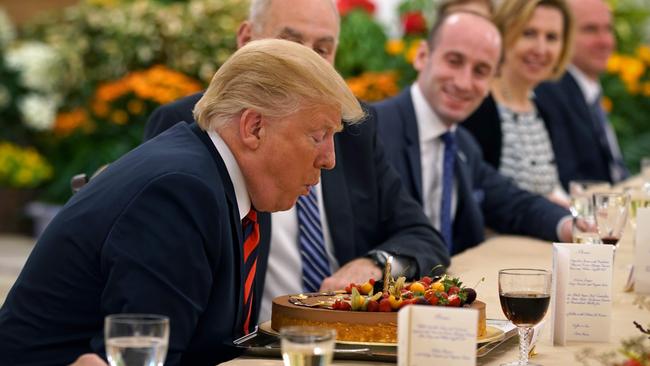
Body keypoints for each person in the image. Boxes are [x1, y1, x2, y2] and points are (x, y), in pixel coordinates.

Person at [0, 39, 365, 366]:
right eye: (318, 136)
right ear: (253, 128)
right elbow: (151, 357)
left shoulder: (223, 177)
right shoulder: (180, 192)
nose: (330, 159)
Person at [144, 0, 450, 322]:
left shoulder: (351, 129)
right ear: (246, 40)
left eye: (321, 50)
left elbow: (422, 236)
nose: (304, 66)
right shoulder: (195, 125)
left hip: (341, 337)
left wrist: (375, 264)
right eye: (289, 44)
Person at [372, 11, 574, 255]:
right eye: (454, 61)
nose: (464, 82)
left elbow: (514, 204)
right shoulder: (372, 131)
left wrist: (569, 225)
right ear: (422, 56)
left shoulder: (462, 144)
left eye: (480, 71)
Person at [461, 0, 575, 205]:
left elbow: (550, 189)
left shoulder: (540, 110)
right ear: (503, 34)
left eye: (552, 37)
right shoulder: (479, 106)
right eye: (529, 33)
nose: (541, 49)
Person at [535, 0, 629, 184]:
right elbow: (573, 183)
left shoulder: (588, 91)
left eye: (608, 29)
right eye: (590, 30)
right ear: (563, 36)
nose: (605, 41)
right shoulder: (550, 93)